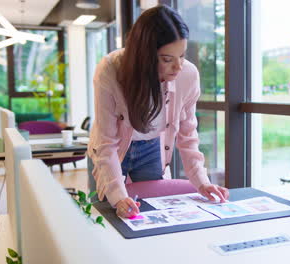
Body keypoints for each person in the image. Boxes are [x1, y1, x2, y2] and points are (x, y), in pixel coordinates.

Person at [87, 5, 229, 218]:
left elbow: (188, 135)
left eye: (182, 55)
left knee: (150, 211)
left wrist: (202, 182)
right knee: (108, 210)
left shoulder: (188, 75)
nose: (178, 66)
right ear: (143, 56)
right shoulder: (110, 70)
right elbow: (106, 143)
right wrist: (118, 197)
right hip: (112, 148)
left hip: (151, 146)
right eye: (167, 59)